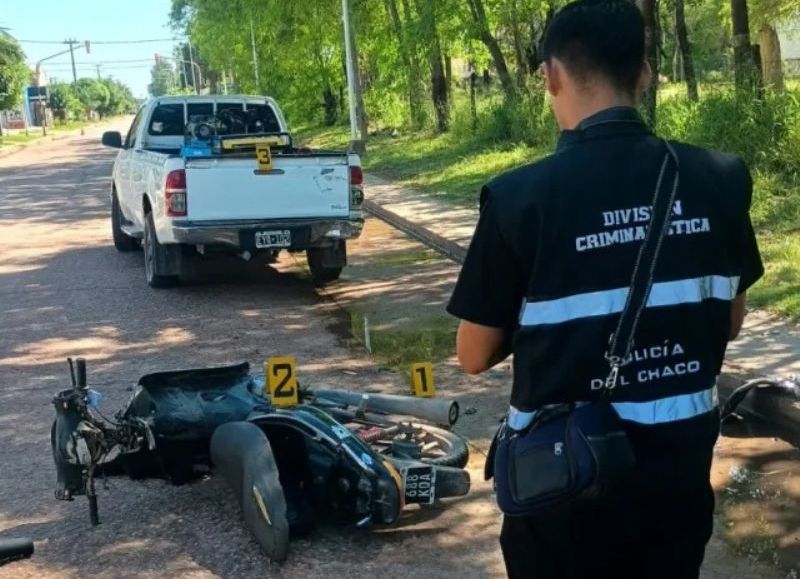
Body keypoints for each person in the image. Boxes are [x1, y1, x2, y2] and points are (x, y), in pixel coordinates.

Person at [446, 1, 764, 578]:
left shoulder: (521, 198)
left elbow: (472, 356)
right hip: (677, 481)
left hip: (563, 490)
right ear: (644, 73)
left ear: (550, 75)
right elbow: (731, 320)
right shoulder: (719, 178)